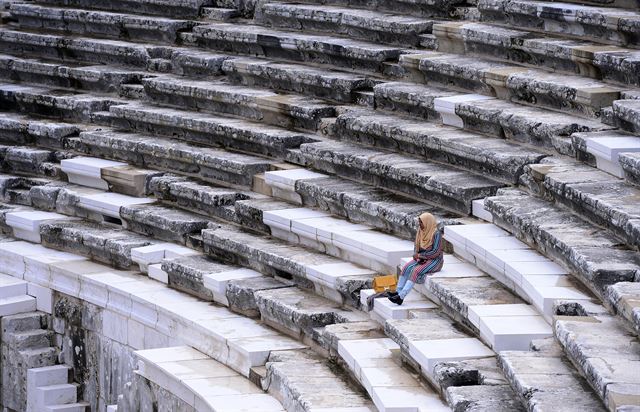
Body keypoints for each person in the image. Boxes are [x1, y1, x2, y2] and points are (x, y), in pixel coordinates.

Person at [389, 212, 443, 305]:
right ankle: (398, 292)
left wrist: (421, 256)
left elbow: (436, 252)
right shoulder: (420, 231)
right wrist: (416, 255)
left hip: (435, 260)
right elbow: (416, 246)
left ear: (427, 222)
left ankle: (401, 297)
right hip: (421, 258)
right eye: (419, 222)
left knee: (416, 270)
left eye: (421, 222)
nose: (420, 224)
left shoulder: (436, 234)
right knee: (406, 267)